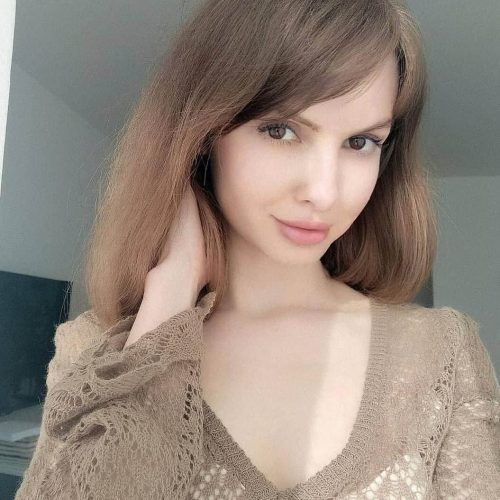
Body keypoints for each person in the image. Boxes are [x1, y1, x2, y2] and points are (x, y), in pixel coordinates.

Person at [15, 0, 500, 498]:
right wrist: (167, 304)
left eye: (360, 142)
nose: (324, 193)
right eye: (280, 130)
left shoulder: (442, 354)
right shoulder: (96, 353)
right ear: (203, 135)